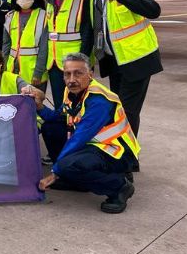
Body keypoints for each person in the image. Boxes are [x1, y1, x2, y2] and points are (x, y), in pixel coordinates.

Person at [38, 53, 139, 214]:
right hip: (92, 146)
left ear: (90, 74)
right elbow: (60, 118)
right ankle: (73, 180)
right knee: (51, 127)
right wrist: (39, 106)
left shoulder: (99, 100)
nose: (71, 79)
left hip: (115, 153)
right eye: (67, 74)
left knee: (67, 165)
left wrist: (55, 172)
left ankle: (119, 187)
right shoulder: (72, 91)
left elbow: (80, 137)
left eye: (78, 73)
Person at [81, 0, 162, 139]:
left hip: (137, 59)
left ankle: (128, 159)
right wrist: (86, 62)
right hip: (114, 62)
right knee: (119, 109)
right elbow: (94, 30)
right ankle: (123, 152)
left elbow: (153, 10)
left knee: (127, 111)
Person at [41, 0, 93, 112]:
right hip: (55, 63)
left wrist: (82, 62)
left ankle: (78, 134)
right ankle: (63, 133)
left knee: (79, 102)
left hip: (76, 63)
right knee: (60, 103)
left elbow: (88, 33)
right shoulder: (49, 1)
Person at [3, 0, 48, 91]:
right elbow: (6, 46)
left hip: (34, 73)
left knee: (34, 105)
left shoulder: (44, 16)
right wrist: (3, 68)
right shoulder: (10, 16)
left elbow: (44, 48)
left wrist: (38, 73)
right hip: (12, 71)